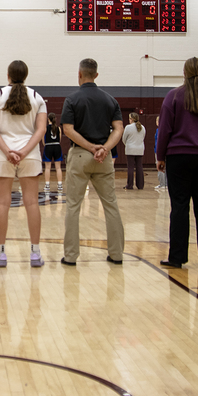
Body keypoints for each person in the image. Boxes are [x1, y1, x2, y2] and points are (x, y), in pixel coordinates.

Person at [156, 58, 198, 269]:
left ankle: (177, 257)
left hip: (180, 155)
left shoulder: (174, 96)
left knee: (180, 206)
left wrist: (160, 156)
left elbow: (165, 129)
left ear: (184, 72)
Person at [60, 58, 124, 266]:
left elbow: (68, 129)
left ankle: (70, 256)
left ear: (79, 74)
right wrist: (105, 148)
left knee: (73, 206)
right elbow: (118, 128)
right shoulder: (110, 100)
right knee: (110, 205)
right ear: (96, 75)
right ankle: (116, 254)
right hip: (104, 158)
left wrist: (89, 147)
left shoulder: (72, 99)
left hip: (80, 155)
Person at [0, 60, 48, 268]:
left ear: (8, 75)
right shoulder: (38, 97)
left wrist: (8, 151)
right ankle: (35, 254)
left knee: (2, 203)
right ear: (26, 75)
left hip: (3, 155)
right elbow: (40, 131)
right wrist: (23, 151)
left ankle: (0, 254)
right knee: (31, 203)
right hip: (29, 155)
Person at [122, 113, 146, 190]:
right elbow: (143, 137)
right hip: (140, 149)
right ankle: (140, 185)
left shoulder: (128, 127)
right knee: (139, 167)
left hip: (130, 149)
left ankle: (129, 185)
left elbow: (124, 138)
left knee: (130, 167)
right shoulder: (142, 127)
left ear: (131, 119)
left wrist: (128, 144)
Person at [42, 113, 64, 194]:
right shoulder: (58, 128)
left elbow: (43, 140)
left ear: (48, 119)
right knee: (58, 167)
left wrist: (46, 145)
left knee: (47, 167)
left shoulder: (45, 128)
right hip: (57, 146)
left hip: (48, 146)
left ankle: (47, 185)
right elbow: (60, 140)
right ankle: (60, 185)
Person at [154, 116, 168, 190]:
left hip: (159, 151)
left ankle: (162, 184)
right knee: (165, 168)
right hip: (165, 151)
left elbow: (159, 142)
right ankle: (165, 184)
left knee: (160, 167)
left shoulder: (159, 130)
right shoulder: (165, 130)